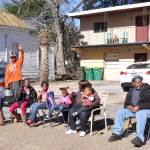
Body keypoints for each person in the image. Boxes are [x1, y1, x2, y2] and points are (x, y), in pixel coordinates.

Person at [108, 76, 150, 147]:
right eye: (137, 82)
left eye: (140, 82)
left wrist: (139, 107)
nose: (139, 84)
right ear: (133, 83)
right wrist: (128, 107)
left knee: (140, 113)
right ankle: (116, 133)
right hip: (133, 110)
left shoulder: (147, 90)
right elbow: (126, 103)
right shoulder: (131, 91)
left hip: (145, 110)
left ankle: (140, 138)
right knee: (120, 111)